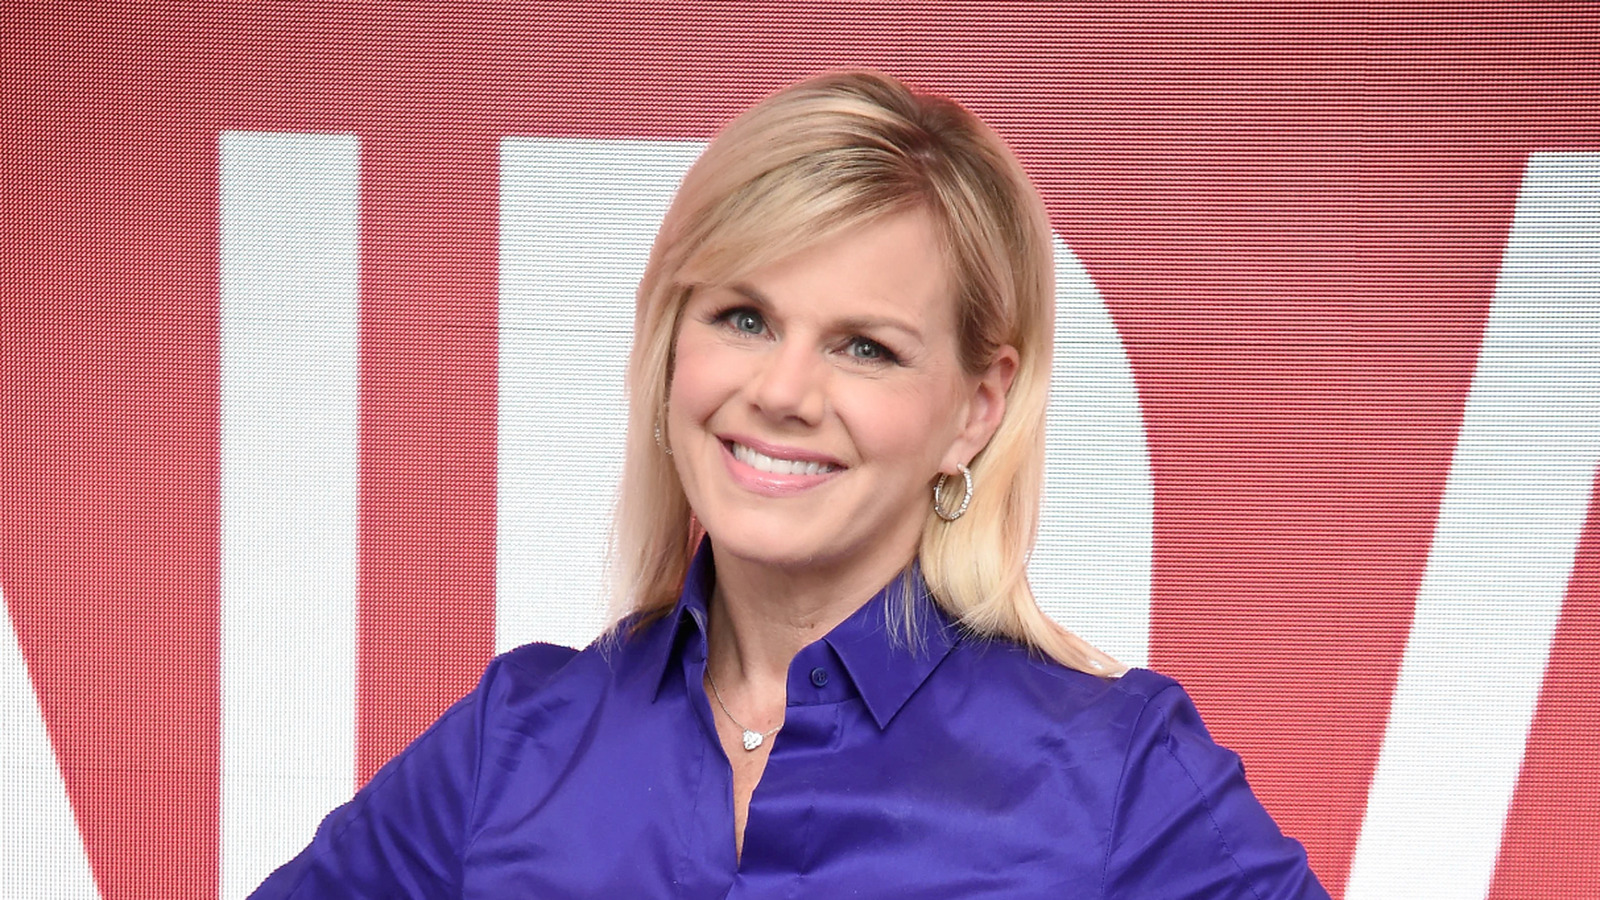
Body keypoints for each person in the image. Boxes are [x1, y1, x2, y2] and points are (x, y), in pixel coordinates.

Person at [253, 71, 1330, 898]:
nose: (781, 392)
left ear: (975, 409)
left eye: (865, 347)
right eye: (744, 318)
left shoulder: (1117, 772)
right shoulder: (516, 743)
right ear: (672, 343)